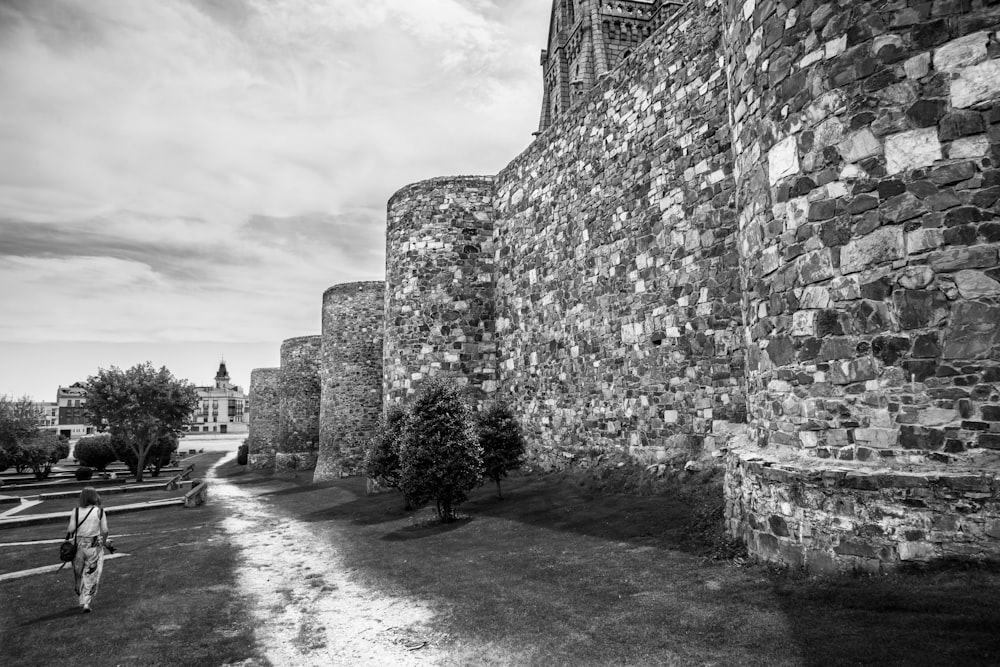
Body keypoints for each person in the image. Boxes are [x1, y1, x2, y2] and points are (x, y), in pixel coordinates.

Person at [66, 486, 109, 613]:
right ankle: (86, 601)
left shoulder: (76, 511)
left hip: (78, 545)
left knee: (78, 571)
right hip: (93, 545)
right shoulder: (99, 512)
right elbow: (105, 530)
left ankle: (80, 593)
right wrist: (105, 541)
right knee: (92, 572)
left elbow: (70, 530)